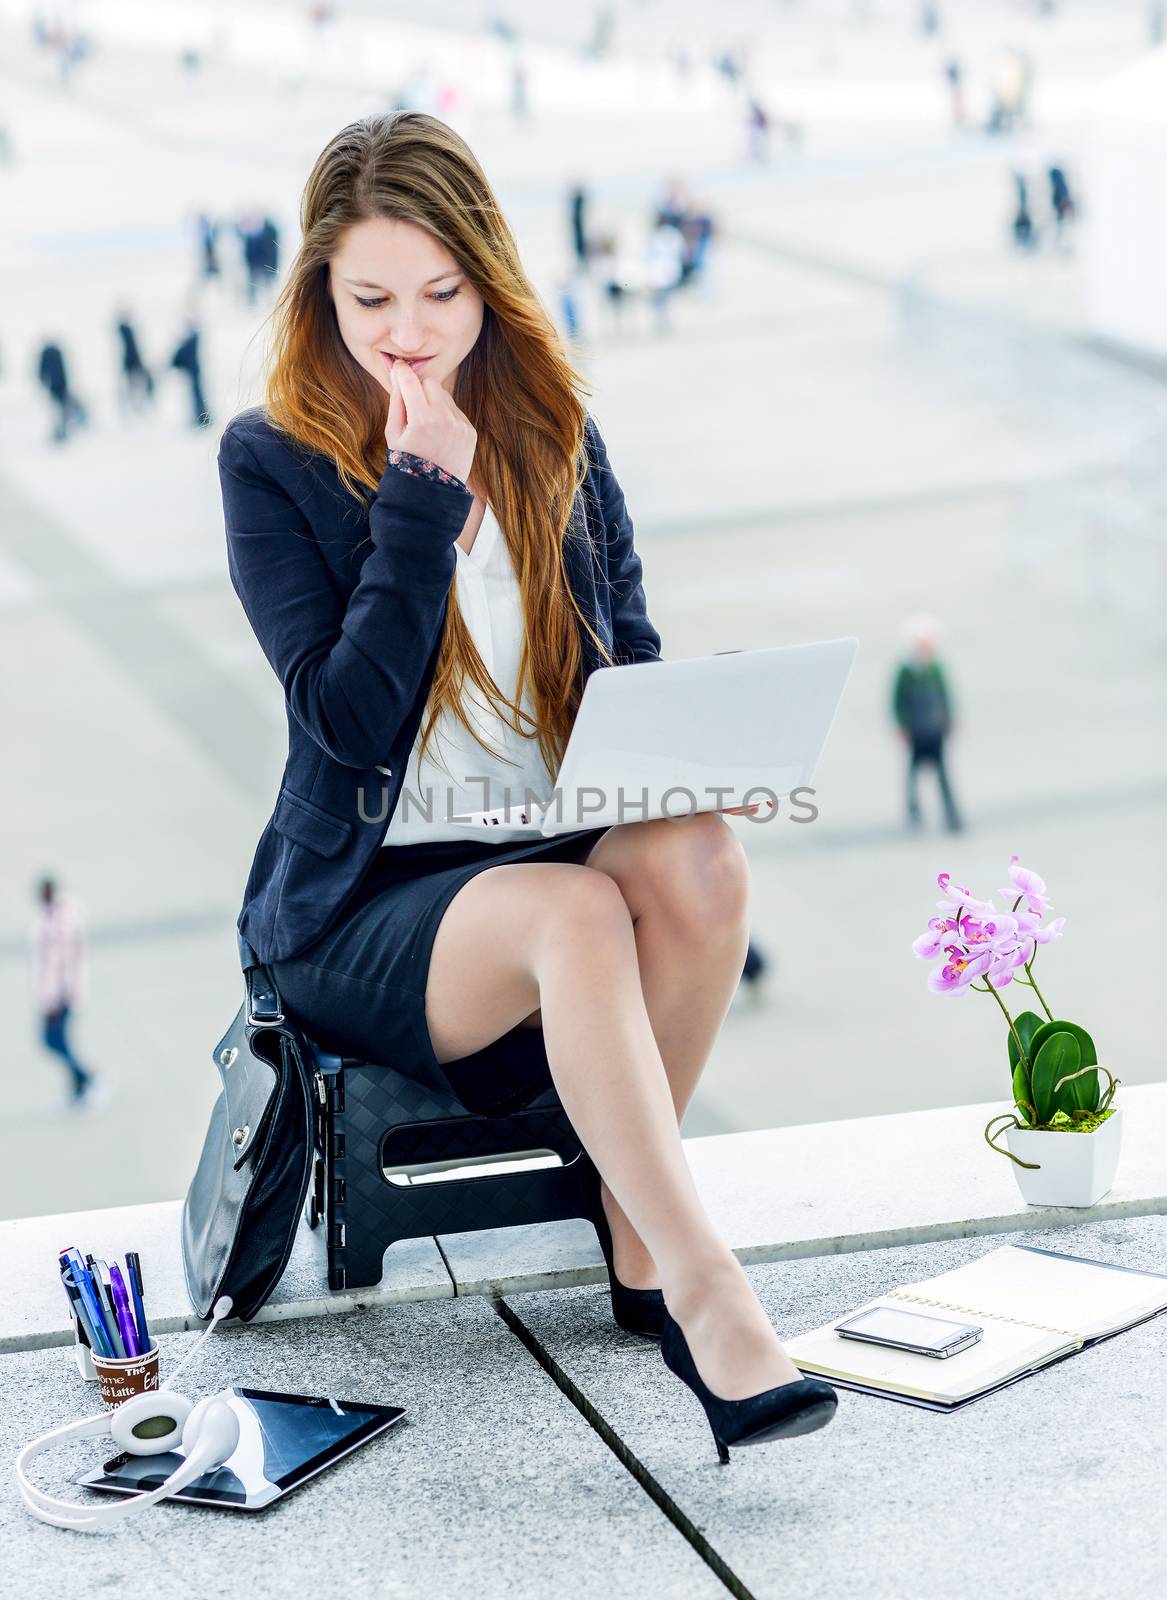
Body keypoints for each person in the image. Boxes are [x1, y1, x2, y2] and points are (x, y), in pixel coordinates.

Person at [218, 110, 836, 1457]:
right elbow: (340, 717)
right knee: (572, 913)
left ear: (486, 284)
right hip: (363, 913)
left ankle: (630, 1233)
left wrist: (693, 752)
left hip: (545, 862)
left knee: (696, 857)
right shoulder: (271, 460)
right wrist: (421, 500)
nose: (408, 330)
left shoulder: (554, 435)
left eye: (441, 293)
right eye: (371, 295)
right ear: (321, 290)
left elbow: (632, 670)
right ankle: (707, 1290)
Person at [28, 877, 99, 1107]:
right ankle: (80, 1082)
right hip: (56, 994)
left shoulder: (60, 920)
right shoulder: (51, 917)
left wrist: (57, 998)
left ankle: (85, 1079)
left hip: (60, 995)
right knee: (57, 1041)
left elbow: (61, 963)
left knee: (54, 1040)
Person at [892, 615, 963, 833]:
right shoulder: (905, 673)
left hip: (935, 730)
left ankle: (951, 814)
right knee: (912, 775)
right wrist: (902, 724)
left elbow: (945, 695)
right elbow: (897, 701)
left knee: (943, 774)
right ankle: (914, 813)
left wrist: (950, 718)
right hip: (916, 732)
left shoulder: (936, 669)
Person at [36, 339, 87, 443]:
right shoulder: (56, 352)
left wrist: (42, 380)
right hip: (61, 384)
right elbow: (63, 369)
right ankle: (62, 429)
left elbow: (42, 369)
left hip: (54, 385)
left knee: (59, 408)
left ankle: (61, 430)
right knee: (62, 408)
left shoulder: (46, 353)